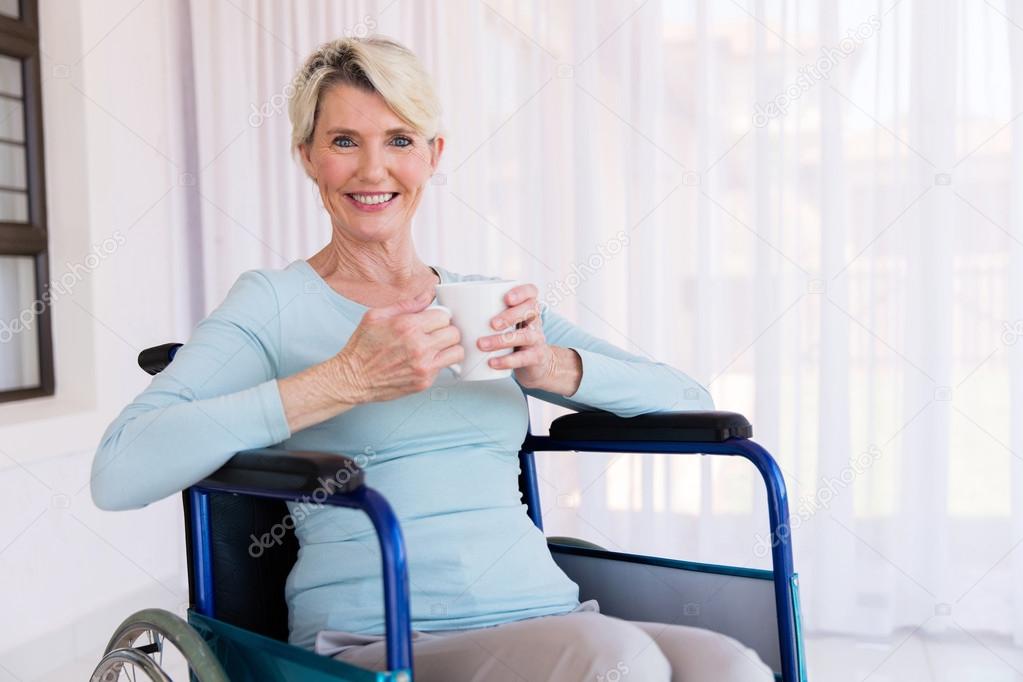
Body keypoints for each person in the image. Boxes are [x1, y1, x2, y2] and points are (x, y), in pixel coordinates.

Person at [91, 34, 773, 682]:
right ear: (306, 155)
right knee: (616, 659)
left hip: (546, 617)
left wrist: (549, 367)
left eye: (398, 140)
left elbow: (690, 399)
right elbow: (119, 470)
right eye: (343, 142)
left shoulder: (485, 302)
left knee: (731, 666)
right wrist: (343, 380)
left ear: (433, 153)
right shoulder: (273, 304)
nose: (372, 169)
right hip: (377, 639)